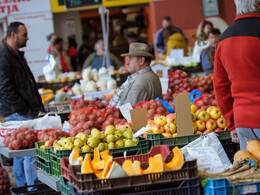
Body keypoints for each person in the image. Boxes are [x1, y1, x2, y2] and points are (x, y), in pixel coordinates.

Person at [0, 22, 44, 188]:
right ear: (13, 35)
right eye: (24, 34)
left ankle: (24, 187)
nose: (27, 37)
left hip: (21, 111)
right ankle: (31, 188)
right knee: (28, 153)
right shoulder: (4, 57)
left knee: (19, 153)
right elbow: (4, 88)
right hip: (17, 112)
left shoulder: (16, 55)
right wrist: (23, 110)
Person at [213, 0, 260, 150]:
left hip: (243, 122)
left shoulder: (223, 39)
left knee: (251, 171)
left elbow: (220, 86)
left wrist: (231, 123)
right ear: (257, 3)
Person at [109, 42, 163, 107]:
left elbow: (129, 113)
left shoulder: (139, 83)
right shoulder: (150, 75)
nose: (127, 62)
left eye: (130, 59)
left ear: (141, 61)